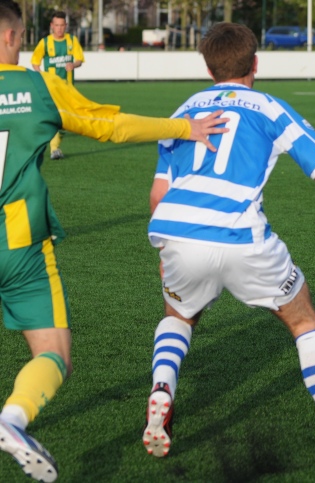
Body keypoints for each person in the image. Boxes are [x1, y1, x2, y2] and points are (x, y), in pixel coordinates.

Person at [0, 1, 227, 480]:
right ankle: (12, 419)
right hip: (18, 244)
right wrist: (184, 128)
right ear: (11, 36)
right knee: (53, 351)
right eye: (20, 36)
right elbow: (112, 125)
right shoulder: (35, 86)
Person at [142, 22, 315, 462]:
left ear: (209, 66)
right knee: (303, 319)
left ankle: (161, 389)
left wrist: (167, 249)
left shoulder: (185, 109)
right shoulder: (268, 106)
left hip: (176, 228)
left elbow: (159, 195)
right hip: (239, 233)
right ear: (255, 63)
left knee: (178, 315)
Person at [31, 11, 85, 160]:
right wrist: (41, 74)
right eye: (57, 25)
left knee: (64, 121)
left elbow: (80, 59)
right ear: (52, 26)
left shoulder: (72, 41)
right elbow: (35, 62)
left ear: (66, 26)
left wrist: (73, 64)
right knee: (57, 117)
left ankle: (53, 144)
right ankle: (54, 149)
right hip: (51, 88)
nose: (59, 29)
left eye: (62, 25)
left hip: (68, 88)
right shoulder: (45, 42)